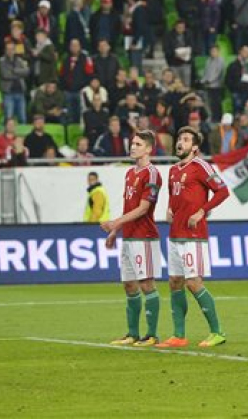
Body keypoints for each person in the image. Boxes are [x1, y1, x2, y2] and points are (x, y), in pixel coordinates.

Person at [156, 127, 230, 349]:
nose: (180, 142)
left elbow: (223, 191)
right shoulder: (173, 170)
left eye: (186, 139)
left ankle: (217, 332)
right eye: (179, 138)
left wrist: (202, 211)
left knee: (193, 282)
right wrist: (169, 208)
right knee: (175, 282)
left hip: (193, 235)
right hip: (175, 234)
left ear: (195, 147)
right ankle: (179, 335)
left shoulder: (200, 166)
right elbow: (173, 194)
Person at [101, 130, 163, 347]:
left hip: (144, 237)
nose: (133, 147)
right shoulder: (130, 173)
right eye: (132, 143)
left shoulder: (152, 174)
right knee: (129, 285)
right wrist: (115, 230)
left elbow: (144, 208)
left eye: (138, 144)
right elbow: (129, 206)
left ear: (149, 149)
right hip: (128, 237)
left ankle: (152, 335)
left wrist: (115, 222)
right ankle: (132, 334)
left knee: (146, 284)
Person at [0, 41, 30, 124]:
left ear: (15, 50)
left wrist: (15, 71)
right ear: (5, 50)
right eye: (8, 49)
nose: (10, 51)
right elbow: (5, 75)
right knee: (8, 118)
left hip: (21, 92)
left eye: (12, 49)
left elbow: (27, 71)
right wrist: (20, 74)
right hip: (9, 93)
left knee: (23, 118)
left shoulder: (19, 60)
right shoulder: (2, 61)